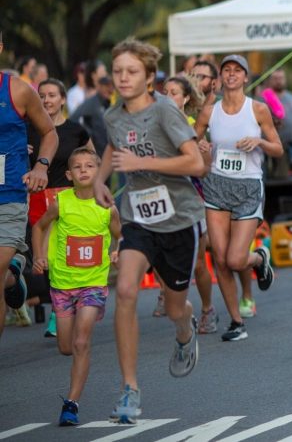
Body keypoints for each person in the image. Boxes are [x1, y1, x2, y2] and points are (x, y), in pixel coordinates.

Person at [93, 38, 204, 423]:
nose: (123, 78)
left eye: (132, 71)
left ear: (150, 77)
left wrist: (148, 159)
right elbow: (112, 147)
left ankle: (184, 330)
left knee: (174, 305)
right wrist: (100, 180)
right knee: (125, 290)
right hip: (137, 216)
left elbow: (195, 164)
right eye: (118, 71)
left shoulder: (165, 113)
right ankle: (129, 388)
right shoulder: (113, 116)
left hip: (178, 219)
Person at [31, 147, 121, 426]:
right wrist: (39, 255)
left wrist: (117, 250)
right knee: (66, 348)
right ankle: (69, 335)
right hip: (62, 284)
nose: (84, 170)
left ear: (99, 172)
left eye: (90, 166)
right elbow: (39, 227)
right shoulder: (61, 202)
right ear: (69, 175)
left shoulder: (107, 205)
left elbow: (119, 234)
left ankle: (71, 404)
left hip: (93, 284)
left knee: (82, 342)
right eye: (78, 167)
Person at [194, 55, 279, 342]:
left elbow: (278, 148)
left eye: (237, 71)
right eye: (226, 70)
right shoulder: (210, 111)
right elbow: (191, 142)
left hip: (248, 187)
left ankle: (258, 259)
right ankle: (236, 321)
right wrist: (201, 144)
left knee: (234, 258)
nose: (231, 75)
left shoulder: (258, 109)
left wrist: (260, 142)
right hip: (217, 185)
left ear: (245, 78)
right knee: (219, 258)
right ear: (220, 79)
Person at [0, 32, 58, 342]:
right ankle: (13, 275)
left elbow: (49, 132)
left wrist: (41, 166)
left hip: (8, 193)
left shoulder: (18, 91)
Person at [27, 79, 90, 333]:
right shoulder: (29, 130)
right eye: (41, 95)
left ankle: (59, 312)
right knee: (46, 259)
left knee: (65, 257)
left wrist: (89, 188)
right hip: (37, 198)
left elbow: (91, 161)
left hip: (67, 199)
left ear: (63, 99)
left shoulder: (76, 130)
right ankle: (61, 305)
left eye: (52, 95)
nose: (46, 100)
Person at [163, 76, 217, 335]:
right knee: (164, 260)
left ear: (185, 99)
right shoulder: (152, 126)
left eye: (174, 92)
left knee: (197, 264)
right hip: (160, 201)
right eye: (165, 92)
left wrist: (202, 151)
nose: (168, 96)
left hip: (190, 201)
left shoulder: (194, 128)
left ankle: (207, 308)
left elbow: (204, 170)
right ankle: (180, 307)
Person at [71, 74, 114, 156]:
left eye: (111, 86)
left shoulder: (107, 103)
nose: (109, 89)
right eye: (106, 86)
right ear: (100, 87)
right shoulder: (92, 102)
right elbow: (74, 118)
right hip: (96, 152)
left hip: (107, 150)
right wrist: (88, 134)